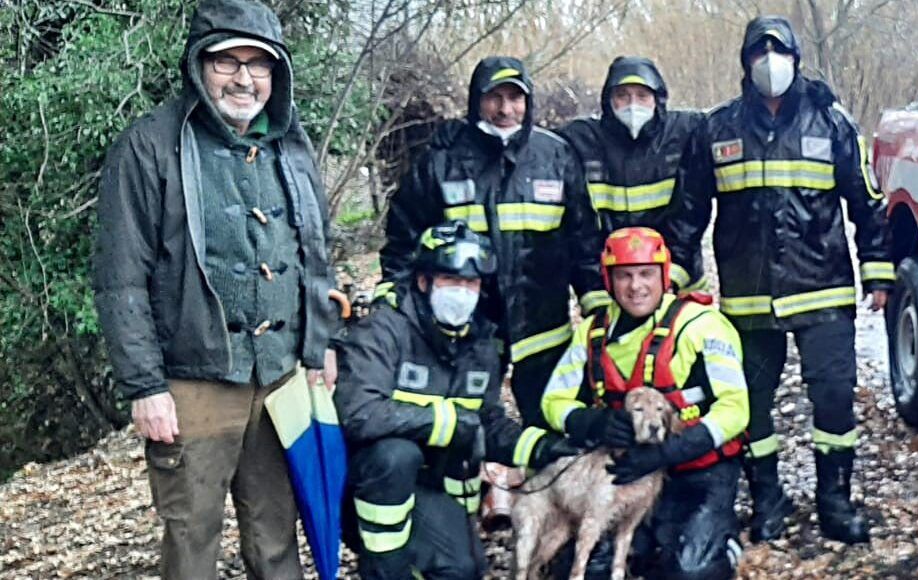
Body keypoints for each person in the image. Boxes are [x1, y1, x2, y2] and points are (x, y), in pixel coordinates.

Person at [92, 0, 339, 576]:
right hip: (192, 382)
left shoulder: (290, 144)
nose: (244, 78)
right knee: (192, 539)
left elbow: (315, 251)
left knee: (277, 535)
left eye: (259, 64)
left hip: (280, 380)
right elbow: (120, 277)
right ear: (199, 64)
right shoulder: (149, 145)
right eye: (228, 61)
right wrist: (145, 386)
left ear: (276, 73)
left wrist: (319, 346)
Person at [667, 16, 893, 545]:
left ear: (796, 58)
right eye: (759, 51)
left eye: (779, 51)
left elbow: (867, 203)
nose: (770, 62)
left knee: (834, 398)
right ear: (745, 62)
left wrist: (878, 270)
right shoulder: (717, 129)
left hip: (823, 289)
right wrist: (674, 280)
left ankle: (834, 501)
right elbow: (688, 213)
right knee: (748, 403)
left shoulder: (831, 122)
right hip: (748, 297)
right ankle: (767, 500)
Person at [373, 56, 604, 526]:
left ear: (528, 102)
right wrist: (403, 309)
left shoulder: (555, 156)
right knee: (465, 422)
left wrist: (596, 304)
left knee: (549, 424)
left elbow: (584, 241)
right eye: (494, 98)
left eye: (515, 98)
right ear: (476, 101)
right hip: (467, 330)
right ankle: (460, 521)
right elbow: (403, 241)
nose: (504, 109)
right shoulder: (442, 160)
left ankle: (555, 519)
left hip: (543, 326)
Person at [334, 221, 578, 579]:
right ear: (424, 282)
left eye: (471, 283)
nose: (461, 293)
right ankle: (384, 570)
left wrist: (542, 447)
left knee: (463, 570)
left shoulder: (480, 344)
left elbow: (487, 422)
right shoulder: (383, 331)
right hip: (369, 491)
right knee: (396, 455)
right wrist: (445, 420)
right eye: (451, 280)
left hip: (433, 485)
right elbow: (358, 412)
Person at [541, 227, 749, 579]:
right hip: (627, 471)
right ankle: (647, 543)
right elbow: (553, 401)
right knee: (586, 570)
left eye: (646, 274)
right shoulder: (592, 332)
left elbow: (736, 409)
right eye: (624, 276)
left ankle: (723, 541)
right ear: (609, 281)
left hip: (696, 469)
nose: (636, 286)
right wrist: (592, 422)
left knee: (690, 571)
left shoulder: (703, 325)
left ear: (663, 276)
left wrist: (669, 451)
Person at [555, 56, 708, 299]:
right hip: (614, 283)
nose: (632, 105)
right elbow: (581, 228)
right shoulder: (582, 140)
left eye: (642, 96)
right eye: (622, 96)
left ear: (658, 99)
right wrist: (595, 289)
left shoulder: (685, 131)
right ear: (608, 100)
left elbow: (691, 213)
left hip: (679, 278)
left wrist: (669, 276)